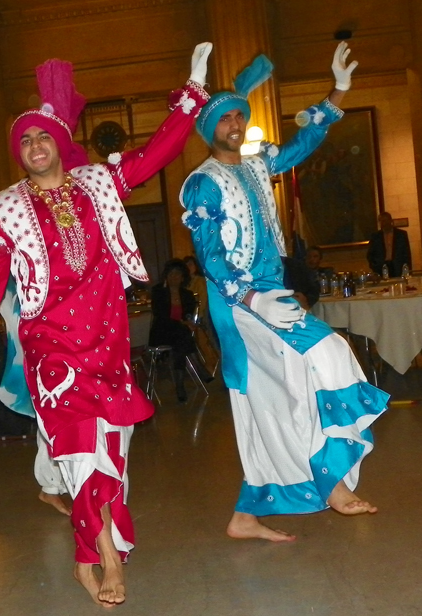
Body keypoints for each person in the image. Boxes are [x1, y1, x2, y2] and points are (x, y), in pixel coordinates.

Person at [0, 44, 212, 607]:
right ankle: (105, 558)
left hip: (106, 346)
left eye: (41, 136)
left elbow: (158, 153)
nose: (34, 147)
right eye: (24, 141)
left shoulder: (99, 182)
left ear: (58, 142)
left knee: (112, 456)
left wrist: (191, 97)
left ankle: (90, 551)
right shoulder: (4, 208)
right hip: (52, 352)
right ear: (20, 154)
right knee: (81, 456)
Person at [180, 42, 389, 543]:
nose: (235, 124)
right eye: (225, 118)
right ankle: (333, 483)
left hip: (275, 295)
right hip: (240, 304)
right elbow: (210, 258)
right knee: (329, 349)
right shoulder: (201, 183)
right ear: (210, 129)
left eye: (239, 115)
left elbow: (302, 143)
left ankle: (246, 514)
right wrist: (250, 298)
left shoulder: (256, 164)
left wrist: (337, 90)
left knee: (274, 401)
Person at [149, 258, 212, 402]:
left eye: (177, 274)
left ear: (183, 277)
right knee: (181, 332)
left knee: (180, 339)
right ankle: (199, 368)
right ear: (166, 275)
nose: (174, 277)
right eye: (171, 274)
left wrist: (188, 322)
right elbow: (161, 316)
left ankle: (180, 386)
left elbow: (188, 316)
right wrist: (184, 323)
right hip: (161, 333)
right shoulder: (158, 291)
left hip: (179, 335)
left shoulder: (187, 295)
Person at [367, 211, 412, 277]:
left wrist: (407, 268)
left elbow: (406, 253)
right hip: (381, 267)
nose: (384, 223)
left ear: (390, 221)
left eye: (385, 220)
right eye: (381, 221)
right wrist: (375, 266)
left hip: (397, 267)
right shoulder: (375, 236)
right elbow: (370, 254)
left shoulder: (401, 235)